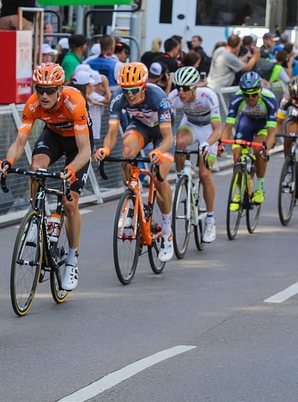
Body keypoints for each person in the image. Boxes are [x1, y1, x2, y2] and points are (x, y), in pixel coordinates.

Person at [0, 63, 93, 291]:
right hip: (53, 136)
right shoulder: (33, 104)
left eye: (50, 90)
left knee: (69, 202)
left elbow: (85, 151)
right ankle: (37, 215)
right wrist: (8, 161)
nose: (43, 95)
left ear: (60, 89)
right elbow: (20, 141)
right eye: (40, 88)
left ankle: (72, 258)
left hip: (77, 145)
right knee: (36, 167)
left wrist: (70, 170)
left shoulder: (75, 101)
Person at [95, 62, 175, 262]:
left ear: (144, 86)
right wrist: (105, 148)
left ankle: (167, 231)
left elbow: (168, 138)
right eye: (125, 89)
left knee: (160, 179)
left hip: (161, 133)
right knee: (127, 152)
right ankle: (132, 198)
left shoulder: (158, 97)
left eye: (134, 90)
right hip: (140, 126)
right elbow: (112, 131)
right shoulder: (118, 98)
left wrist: (158, 151)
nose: (130, 94)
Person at [168, 67, 222, 243]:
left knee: (205, 175)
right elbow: (165, 126)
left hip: (208, 131)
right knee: (180, 142)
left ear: (194, 87)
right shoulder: (174, 98)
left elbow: (218, 130)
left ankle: (210, 220)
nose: (181, 92)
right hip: (190, 125)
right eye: (178, 87)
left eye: (185, 88)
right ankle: (180, 177)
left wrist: (208, 143)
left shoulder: (207, 96)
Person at [221, 71, 278, 208]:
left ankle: (259, 188)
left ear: (260, 90)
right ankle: (241, 191)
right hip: (246, 123)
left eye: (254, 94)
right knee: (237, 157)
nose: (250, 98)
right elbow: (228, 127)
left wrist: (267, 149)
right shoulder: (237, 99)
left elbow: (271, 133)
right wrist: (221, 146)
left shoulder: (270, 100)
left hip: (263, 125)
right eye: (246, 94)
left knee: (258, 149)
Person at [276, 77, 298, 158]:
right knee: (289, 135)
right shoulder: (285, 99)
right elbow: (279, 121)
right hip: (295, 117)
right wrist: (274, 140)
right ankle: (288, 160)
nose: (296, 102)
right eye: (294, 99)